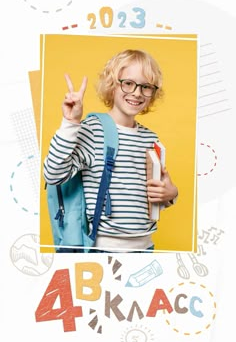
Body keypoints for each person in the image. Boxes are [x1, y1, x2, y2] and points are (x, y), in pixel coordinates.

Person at [43, 49, 178, 253]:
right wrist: (70, 123)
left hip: (145, 247)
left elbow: (153, 195)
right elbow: (53, 174)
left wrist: (170, 194)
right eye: (128, 83)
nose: (137, 93)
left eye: (146, 87)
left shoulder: (151, 138)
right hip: (103, 249)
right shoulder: (94, 130)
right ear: (112, 85)